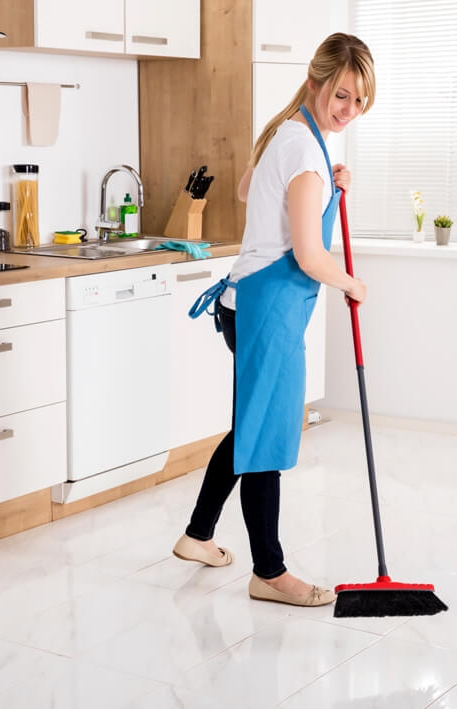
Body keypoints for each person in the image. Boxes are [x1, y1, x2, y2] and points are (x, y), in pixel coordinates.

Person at [174, 32, 376, 607]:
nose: (348, 111)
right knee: (266, 437)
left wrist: (327, 185)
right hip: (270, 311)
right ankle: (270, 571)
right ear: (316, 82)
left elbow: (245, 190)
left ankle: (197, 535)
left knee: (252, 427)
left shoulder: (289, 135)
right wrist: (353, 283)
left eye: (359, 102)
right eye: (341, 95)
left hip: (250, 304)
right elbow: (311, 258)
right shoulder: (305, 152)